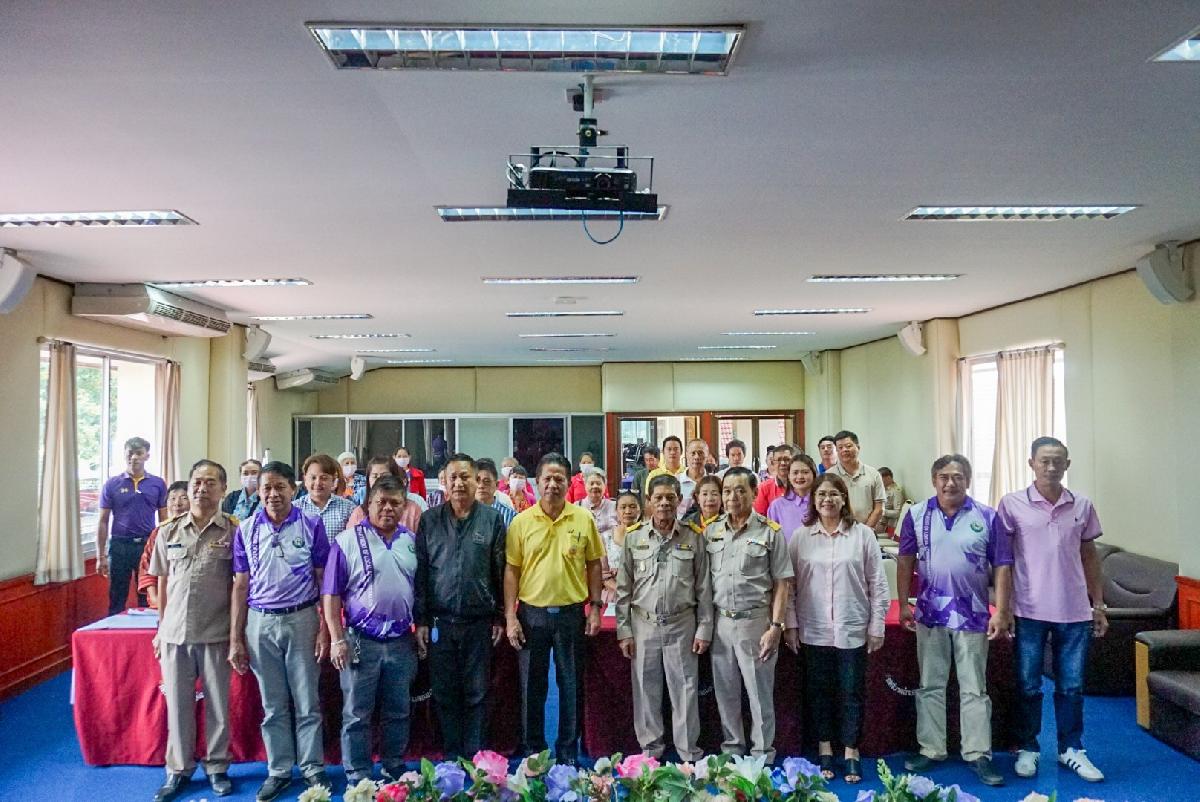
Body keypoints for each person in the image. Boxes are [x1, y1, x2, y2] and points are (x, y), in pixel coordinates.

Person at [997, 437, 1107, 783]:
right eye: (1044, 461)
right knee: (1028, 685)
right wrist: (1004, 608)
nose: (1051, 467)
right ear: (1031, 463)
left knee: (1071, 686)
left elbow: (1090, 556)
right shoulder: (1012, 504)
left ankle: (1071, 748)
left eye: (1058, 461)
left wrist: (1098, 603)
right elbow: (1003, 561)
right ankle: (1028, 747)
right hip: (1028, 609)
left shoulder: (1082, 505)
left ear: (1067, 465)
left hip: (1074, 611)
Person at [897, 455, 1011, 788]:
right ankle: (931, 749)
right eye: (944, 477)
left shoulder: (988, 516)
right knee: (930, 684)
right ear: (934, 480)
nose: (950, 483)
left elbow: (1003, 566)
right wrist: (903, 603)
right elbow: (905, 561)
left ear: (968, 480)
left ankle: (978, 753)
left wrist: (1002, 611)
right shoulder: (916, 514)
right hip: (930, 613)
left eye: (958, 477)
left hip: (973, 614)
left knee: (974, 687)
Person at [229, 461, 331, 801]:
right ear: (258, 492)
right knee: (272, 704)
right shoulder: (245, 529)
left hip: (302, 619)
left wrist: (324, 628)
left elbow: (323, 579)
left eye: (279, 487)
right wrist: (236, 637)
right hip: (260, 622)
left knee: (307, 700)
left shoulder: (311, 524)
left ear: (293, 489)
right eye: (266, 488)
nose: (273, 494)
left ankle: (312, 766)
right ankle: (279, 770)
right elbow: (240, 586)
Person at [784, 473, 888, 785]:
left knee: (851, 692)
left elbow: (878, 583)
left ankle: (851, 750)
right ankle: (825, 747)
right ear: (813, 501)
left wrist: (877, 625)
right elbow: (788, 586)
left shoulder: (862, 535)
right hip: (813, 628)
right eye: (821, 495)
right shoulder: (801, 537)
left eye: (833, 494)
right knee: (819, 692)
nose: (827, 500)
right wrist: (790, 624)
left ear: (844, 499)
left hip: (851, 626)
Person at [505, 453, 605, 764]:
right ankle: (533, 750)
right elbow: (512, 571)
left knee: (570, 684)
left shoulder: (583, 519)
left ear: (568, 483)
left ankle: (567, 751)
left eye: (559, 479)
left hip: (571, 614)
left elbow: (594, 565)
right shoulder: (521, 522)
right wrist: (510, 616)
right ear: (537, 482)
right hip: (531, 614)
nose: (553, 484)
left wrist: (596, 607)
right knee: (532, 685)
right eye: (547, 478)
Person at [148, 460, 236, 802]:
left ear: (223, 489)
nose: (201, 488)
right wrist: (161, 629)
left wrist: (236, 635)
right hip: (174, 634)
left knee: (218, 705)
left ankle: (217, 767)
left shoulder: (233, 531)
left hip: (216, 631)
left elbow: (239, 586)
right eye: (196, 482)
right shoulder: (168, 531)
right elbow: (162, 582)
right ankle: (179, 769)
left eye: (210, 482)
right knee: (178, 704)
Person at [323, 474, 419, 784]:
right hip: (360, 640)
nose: (388, 508)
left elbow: (420, 589)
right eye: (381, 502)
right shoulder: (346, 541)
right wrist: (337, 639)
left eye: (395, 503)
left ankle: (394, 764)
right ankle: (358, 773)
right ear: (368, 504)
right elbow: (331, 594)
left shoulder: (410, 541)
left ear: (404, 506)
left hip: (401, 640)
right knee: (356, 712)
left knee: (398, 709)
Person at [415, 454, 508, 759]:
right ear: (444, 481)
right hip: (440, 623)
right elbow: (422, 573)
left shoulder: (492, 520)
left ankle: (475, 755)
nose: (458, 483)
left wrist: (499, 617)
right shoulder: (430, 520)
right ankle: (451, 755)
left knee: (477, 692)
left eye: (465, 477)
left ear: (476, 479)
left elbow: (499, 571)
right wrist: (422, 620)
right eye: (452, 477)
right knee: (444, 692)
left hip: (479, 622)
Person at [616, 474, 713, 761]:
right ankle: (650, 751)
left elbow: (704, 588)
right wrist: (624, 630)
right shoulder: (634, 537)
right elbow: (623, 589)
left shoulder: (693, 537)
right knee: (646, 690)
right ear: (648, 501)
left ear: (679, 500)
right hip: (643, 624)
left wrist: (704, 628)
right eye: (658, 498)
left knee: (685, 689)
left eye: (670, 498)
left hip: (682, 624)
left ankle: (688, 751)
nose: (664, 503)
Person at [706, 467, 793, 763]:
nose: (733, 497)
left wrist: (776, 626)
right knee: (726, 692)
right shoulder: (711, 531)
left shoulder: (770, 532)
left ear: (755, 493)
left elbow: (782, 583)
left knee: (759, 694)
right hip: (720, 623)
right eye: (727, 491)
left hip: (755, 623)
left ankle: (762, 754)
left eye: (740, 490)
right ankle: (732, 749)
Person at [96, 436, 168, 614]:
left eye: (138, 453)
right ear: (124, 455)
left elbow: (164, 520)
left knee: (147, 596)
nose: (134, 457)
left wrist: (164, 550)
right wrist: (100, 556)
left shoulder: (158, 484)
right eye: (130, 453)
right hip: (119, 545)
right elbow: (103, 521)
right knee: (117, 596)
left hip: (146, 546)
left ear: (147, 456)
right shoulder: (112, 484)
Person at [138, 480, 190, 609]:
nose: (177, 503)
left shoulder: (202, 531)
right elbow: (147, 568)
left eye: (184, 498)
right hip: (162, 602)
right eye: (172, 499)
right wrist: (156, 600)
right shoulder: (160, 532)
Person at [347, 457, 423, 532]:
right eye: (375, 476)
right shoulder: (359, 513)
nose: (379, 480)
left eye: (384, 476)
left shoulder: (413, 510)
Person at [829, 431, 885, 530]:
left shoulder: (873, 474)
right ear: (836, 451)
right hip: (837, 532)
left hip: (868, 531)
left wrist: (864, 531)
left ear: (858, 447)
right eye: (840, 448)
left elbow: (879, 508)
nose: (844, 450)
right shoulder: (829, 475)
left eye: (848, 446)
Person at [297, 454, 357, 543]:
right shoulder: (295, 508)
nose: (318, 483)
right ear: (305, 479)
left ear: (333, 481)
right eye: (313, 478)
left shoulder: (348, 508)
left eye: (324, 478)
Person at [766, 453, 817, 544]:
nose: (800, 476)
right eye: (795, 473)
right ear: (789, 476)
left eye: (805, 472)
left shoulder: (821, 503)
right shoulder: (777, 506)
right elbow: (771, 540)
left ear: (814, 474)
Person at [602, 492, 642, 604]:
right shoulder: (606, 537)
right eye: (623, 507)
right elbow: (603, 573)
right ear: (616, 511)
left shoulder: (649, 535)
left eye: (632, 507)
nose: (628, 511)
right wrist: (622, 590)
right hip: (614, 595)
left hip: (642, 595)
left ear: (639, 510)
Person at [753, 443, 794, 514]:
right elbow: (759, 516)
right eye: (779, 460)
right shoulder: (764, 488)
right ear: (773, 463)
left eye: (787, 459)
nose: (783, 463)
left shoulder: (801, 486)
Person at [476, 458, 517, 528]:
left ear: (497, 485)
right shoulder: (462, 514)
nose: (481, 486)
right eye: (477, 480)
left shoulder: (510, 516)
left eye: (486, 481)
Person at [579, 469, 617, 540]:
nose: (595, 486)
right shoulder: (578, 506)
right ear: (585, 486)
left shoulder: (614, 506)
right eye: (591, 483)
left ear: (604, 486)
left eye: (598, 483)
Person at [677, 439, 709, 518]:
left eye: (700, 453)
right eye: (693, 453)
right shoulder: (676, 481)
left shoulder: (713, 481)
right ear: (686, 455)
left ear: (707, 455)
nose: (696, 457)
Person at [878, 467, 907, 537]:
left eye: (880, 479)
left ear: (888, 478)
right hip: (877, 520)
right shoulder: (882, 490)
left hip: (883, 524)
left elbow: (898, 513)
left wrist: (882, 511)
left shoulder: (896, 491)